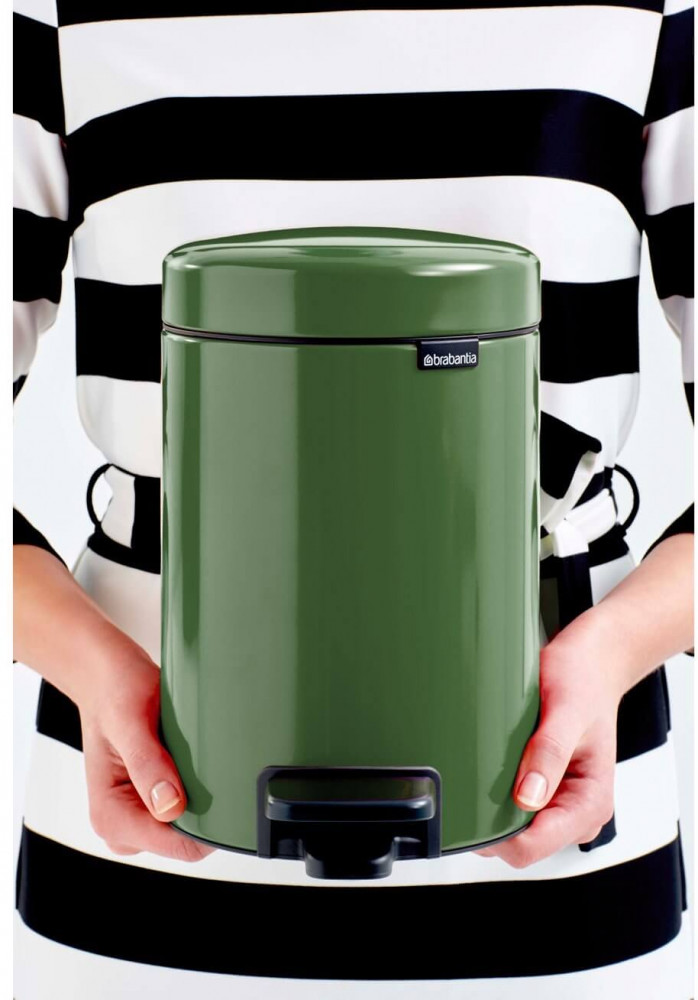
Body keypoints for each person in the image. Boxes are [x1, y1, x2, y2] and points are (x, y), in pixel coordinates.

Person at [13, 2, 693, 996]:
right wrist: (89, 665)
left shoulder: (647, 23)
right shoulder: (61, 27)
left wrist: (616, 650)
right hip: (140, 811)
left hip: (558, 817)